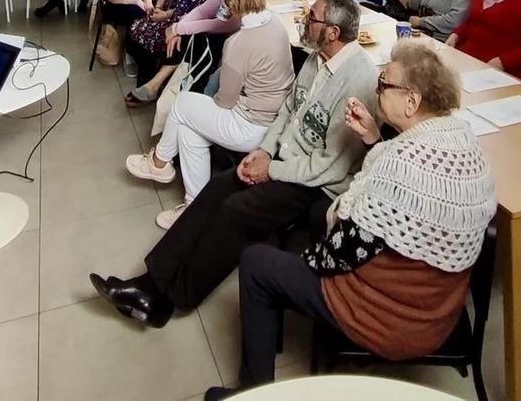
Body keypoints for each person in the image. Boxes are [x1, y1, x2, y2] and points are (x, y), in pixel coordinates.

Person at [204, 41, 497, 399]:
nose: (376, 89)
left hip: (392, 319)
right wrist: (375, 138)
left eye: (384, 84)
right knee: (317, 213)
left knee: (257, 263)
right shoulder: (459, 138)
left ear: (412, 101)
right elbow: (401, 207)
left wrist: (301, 264)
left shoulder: (401, 162)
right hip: (440, 310)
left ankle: (252, 392)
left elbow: (347, 250)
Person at [89, 0, 379, 326]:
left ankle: (171, 298)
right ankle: (148, 284)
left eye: (311, 17)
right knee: (217, 189)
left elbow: (331, 165)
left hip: (315, 182)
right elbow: (289, 109)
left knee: (233, 211)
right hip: (284, 158)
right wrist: (265, 150)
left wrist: (271, 169)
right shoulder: (317, 59)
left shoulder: (357, 78)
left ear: (332, 32)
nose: (304, 20)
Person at [127, 0, 295, 229]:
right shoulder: (274, 21)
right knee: (187, 130)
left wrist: (213, 100)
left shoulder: (239, 43)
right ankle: (195, 208)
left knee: (182, 104)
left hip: (251, 126)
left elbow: (226, 101)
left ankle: (159, 162)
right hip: (275, 119)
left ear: (235, 0)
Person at [127, 0, 256, 106]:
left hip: (235, 52)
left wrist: (179, 29)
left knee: (196, 36)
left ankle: (160, 84)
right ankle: (161, 85)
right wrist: (179, 26)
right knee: (187, 36)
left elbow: (221, 23)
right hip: (219, 42)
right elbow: (202, 11)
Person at [126, 0, 217, 92]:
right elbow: (180, 9)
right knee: (138, 30)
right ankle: (151, 81)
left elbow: (213, 18)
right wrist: (174, 26)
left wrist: (177, 28)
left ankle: (155, 85)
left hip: (204, 34)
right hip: (181, 24)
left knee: (173, 41)